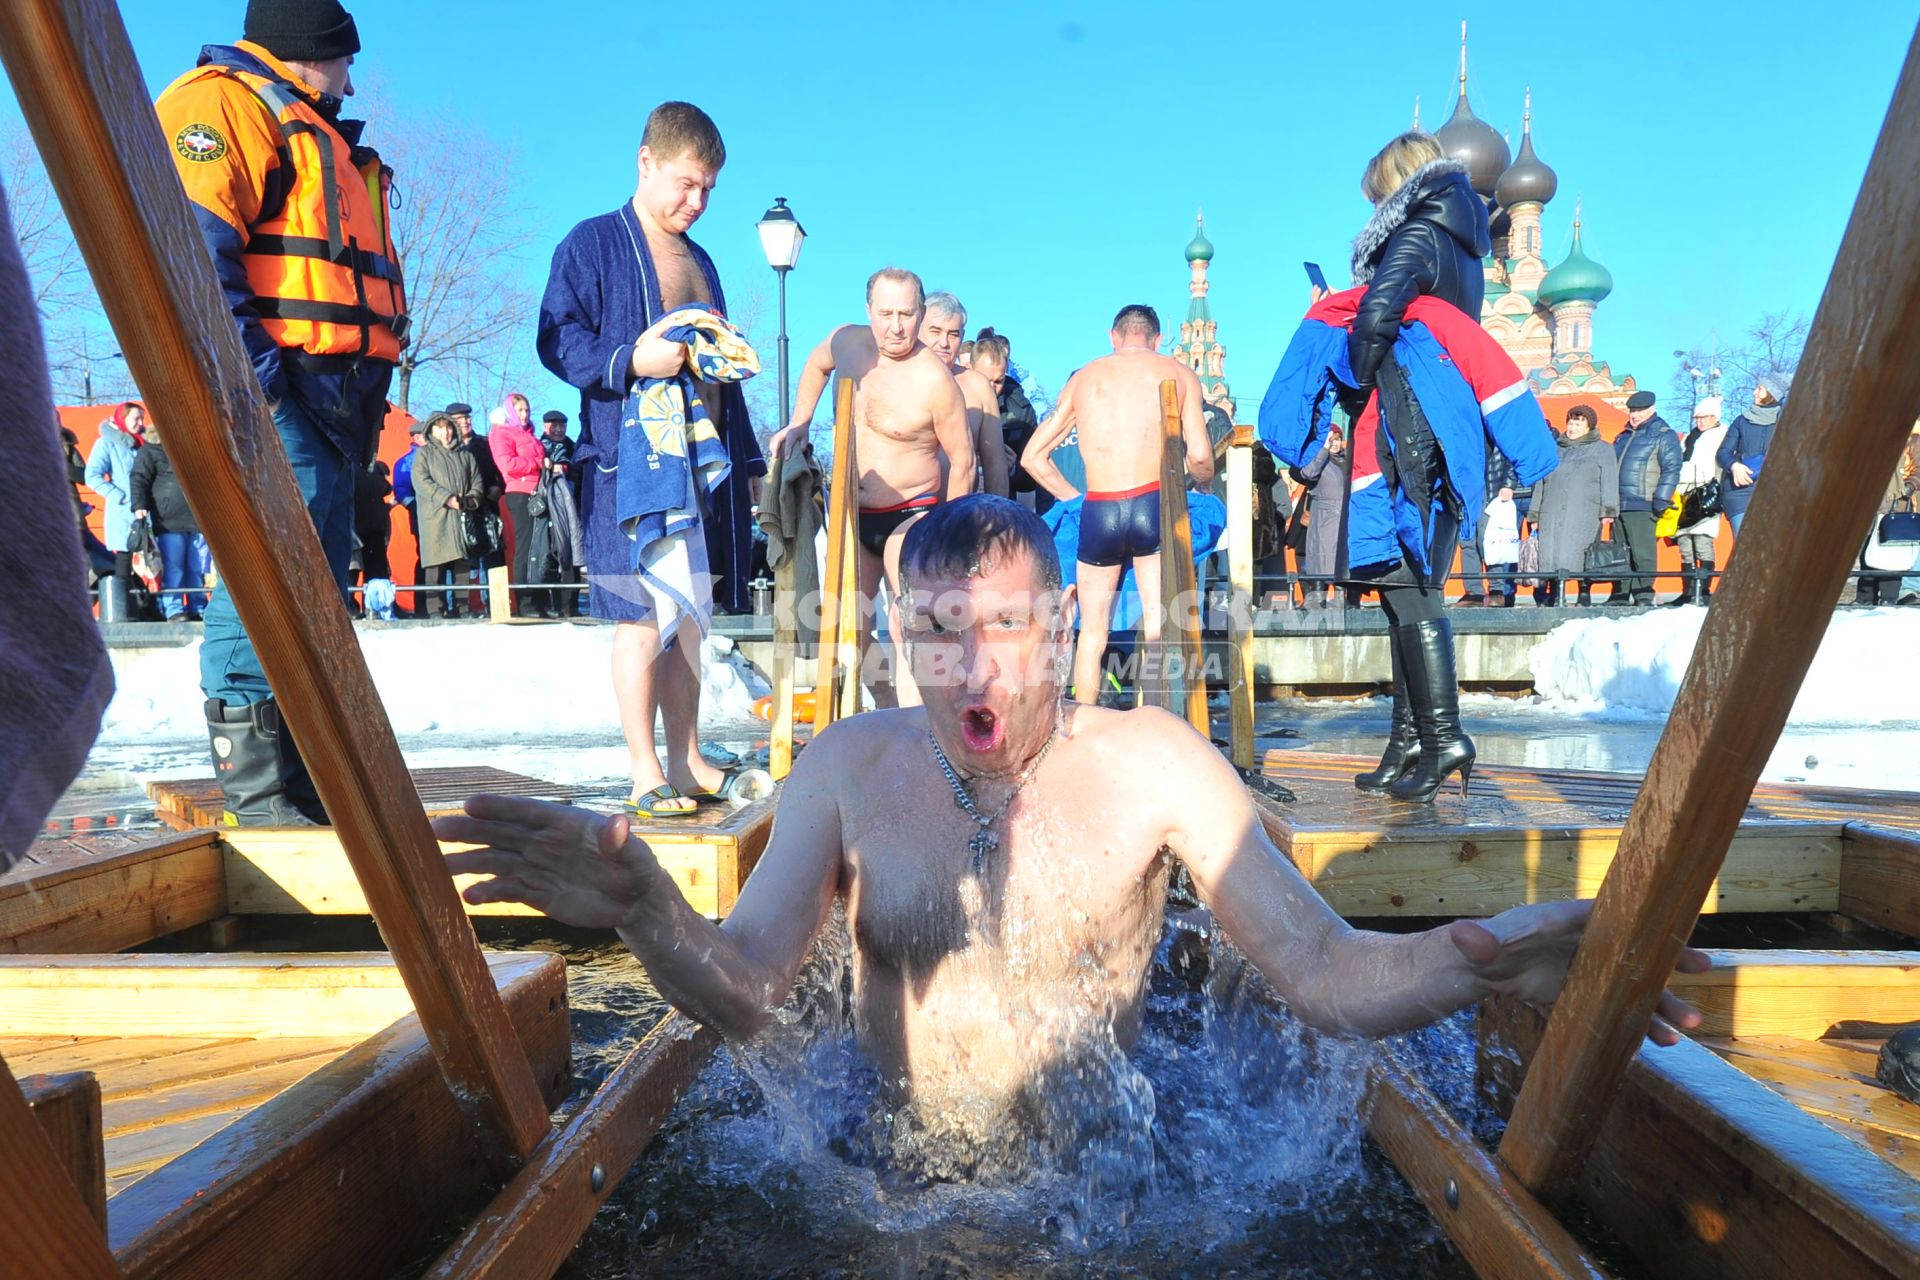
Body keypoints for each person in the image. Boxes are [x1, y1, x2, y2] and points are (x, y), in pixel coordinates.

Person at [434, 494, 1707, 1148]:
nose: (971, 670)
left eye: (1000, 629)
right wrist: (654, 914)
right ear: (895, 638)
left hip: (1114, 1190)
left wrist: (1481, 962)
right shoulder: (846, 765)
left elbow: (1321, 971)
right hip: (893, 1184)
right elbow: (753, 994)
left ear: (1058, 628)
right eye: (937, 634)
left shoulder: (1154, 764)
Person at [157, 0, 406, 825]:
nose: (351, 77)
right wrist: (257, 382)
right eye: (343, 60)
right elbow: (192, 249)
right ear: (306, 54)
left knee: (317, 588)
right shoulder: (222, 102)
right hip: (278, 391)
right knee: (263, 575)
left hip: (332, 399)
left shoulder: (315, 127)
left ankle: (298, 780)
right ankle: (257, 793)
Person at [1267, 130, 1555, 803]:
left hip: (1407, 426)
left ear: (1395, 187)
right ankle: (1410, 739)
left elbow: (1376, 319)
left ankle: (1445, 734)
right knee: (1407, 589)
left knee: (1409, 589)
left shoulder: (1417, 235)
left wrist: (1354, 381)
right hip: (1446, 424)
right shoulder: (1464, 247)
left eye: (1375, 195)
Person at [538, 101, 766, 815]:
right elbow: (556, 338)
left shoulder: (703, 263)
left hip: (703, 469)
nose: (696, 203)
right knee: (641, 618)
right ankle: (644, 772)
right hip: (628, 467)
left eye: (708, 191)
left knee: (692, 622)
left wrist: (750, 465)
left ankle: (687, 758)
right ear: (646, 162)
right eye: (685, 183)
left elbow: (723, 372)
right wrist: (629, 359)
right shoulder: (594, 242)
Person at [768, 269, 976, 706]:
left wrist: (948, 537)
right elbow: (815, 363)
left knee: (906, 620)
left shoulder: (935, 380)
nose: (895, 326)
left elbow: (964, 460)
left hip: (911, 512)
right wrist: (800, 422)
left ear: (920, 314)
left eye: (906, 314)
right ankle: (885, 704)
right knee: (851, 625)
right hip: (853, 514)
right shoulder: (848, 342)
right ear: (869, 312)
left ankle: (916, 721)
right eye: (885, 313)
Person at [1018, 305, 1212, 704]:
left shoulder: (1086, 378)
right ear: (1158, 340)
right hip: (1152, 501)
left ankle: (1086, 723)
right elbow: (1200, 456)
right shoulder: (1178, 373)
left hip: (1100, 507)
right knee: (1156, 625)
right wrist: (1196, 485)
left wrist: (1074, 498)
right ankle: (1155, 725)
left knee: (1092, 631)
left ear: (1113, 336)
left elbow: (1032, 457)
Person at [920, 292, 1010, 497]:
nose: (944, 342)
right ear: (918, 328)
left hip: (959, 517)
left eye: (953, 334)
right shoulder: (896, 379)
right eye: (935, 331)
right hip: (902, 516)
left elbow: (995, 463)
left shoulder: (977, 387)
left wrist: (998, 519)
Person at [1527, 404, 1618, 606]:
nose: (1573, 427)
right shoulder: (1555, 449)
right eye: (1571, 422)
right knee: (1550, 554)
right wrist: (1535, 513)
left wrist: (1608, 510)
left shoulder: (1603, 449)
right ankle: (1555, 595)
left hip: (1585, 510)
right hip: (1551, 509)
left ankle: (1583, 593)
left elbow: (1610, 479)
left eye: (1578, 423)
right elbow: (1540, 481)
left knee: (1581, 552)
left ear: (1589, 427)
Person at [128, 423, 213, 621]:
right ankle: (174, 609)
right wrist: (139, 507)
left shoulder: (192, 449)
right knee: (173, 567)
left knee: (196, 567)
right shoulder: (150, 450)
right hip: (168, 520)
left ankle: (198, 606)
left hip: (198, 518)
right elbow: (139, 478)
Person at [1609, 391, 1681, 607]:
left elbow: (1672, 468)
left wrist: (1661, 498)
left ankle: (1643, 595)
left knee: (1643, 553)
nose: (1634, 415)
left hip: (1643, 501)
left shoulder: (1662, 434)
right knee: (1619, 553)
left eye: (1639, 410)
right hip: (1618, 503)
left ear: (1651, 409)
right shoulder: (1623, 436)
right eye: (1632, 410)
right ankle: (1619, 594)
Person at [411, 412, 481, 619]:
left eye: (449, 427)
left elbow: (477, 481)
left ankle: (463, 608)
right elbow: (421, 481)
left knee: (462, 566)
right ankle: (435, 610)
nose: (446, 432)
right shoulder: (424, 454)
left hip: (461, 518)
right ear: (431, 430)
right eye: (440, 428)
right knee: (435, 567)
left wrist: (470, 499)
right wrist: (445, 498)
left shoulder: (466, 455)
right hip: (435, 517)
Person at [84, 401, 148, 615]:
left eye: (142, 418)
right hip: (123, 514)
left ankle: (147, 610)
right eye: (135, 418)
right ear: (123, 419)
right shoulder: (107, 443)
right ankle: (122, 612)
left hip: (148, 513)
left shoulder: (145, 444)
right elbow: (92, 475)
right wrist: (119, 496)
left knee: (150, 563)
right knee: (124, 561)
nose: (140, 423)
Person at [488, 392, 546, 617]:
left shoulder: (530, 435)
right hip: (520, 493)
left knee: (541, 548)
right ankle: (525, 602)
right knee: (526, 547)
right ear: (510, 412)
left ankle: (540, 601)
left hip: (539, 492)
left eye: (527, 410)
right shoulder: (501, 433)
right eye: (519, 410)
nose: (524, 415)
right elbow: (508, 464)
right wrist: (538, 463)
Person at [1667, 395, 1728, 607]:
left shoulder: (1722, 435)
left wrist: (1718, 490)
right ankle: (1688, 591)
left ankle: (1704, 590)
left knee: (1702, 542)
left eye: (1705, 417)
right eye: (1698, 417)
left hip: (1706, 493)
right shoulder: (1689, 438)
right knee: (1685, 544)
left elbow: (1722, 465)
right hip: (1684, 493)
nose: (1700, 421)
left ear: (1715, 417)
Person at [972, 330, 1041, 507]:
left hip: (1003, 503)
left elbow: (1030, 479)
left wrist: (1013, 468)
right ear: (970, 370)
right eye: (986, 380)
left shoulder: (1021, 413)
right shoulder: (952, 399)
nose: (992, 388)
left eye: (999, 381)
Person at [1716, 375, 1788, 538]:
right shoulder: (1741, 421)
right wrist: (1734, 466)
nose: (1754, 392)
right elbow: (1723, 453)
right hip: (1739, 490)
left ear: (1771, 393)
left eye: (1759, 389)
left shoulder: (1786, 422)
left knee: (1769, 543)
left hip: (1773, 491)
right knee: (1744, 541)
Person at [1288, 426, 1348, 609]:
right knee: (1322, 561)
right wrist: (1322, 449)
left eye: (1337, 438)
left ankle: (1342, 602)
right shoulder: (1319, 461)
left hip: (1345, 518)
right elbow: (1308, 473)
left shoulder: (1347, 460)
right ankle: (1317, 603)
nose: (1335, 443)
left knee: (1342, 563)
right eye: (1331, 439)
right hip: (1324, 518)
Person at [1858, 424, 1918, 607]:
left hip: (1895, 508)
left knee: (1892, 555)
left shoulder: (1913, 439)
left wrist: (1905, 490)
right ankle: (1864, 599)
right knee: (1867, 554)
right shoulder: (1868, 440)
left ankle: (1889, 600)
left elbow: (1918, 470)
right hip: (1868, 505)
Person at [450, 402, 502, 610]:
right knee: (463, 560)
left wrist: (499, 487)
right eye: (459, 419)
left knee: (493, 557)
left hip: (488, 506)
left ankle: (494, 605)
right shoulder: (448, 449)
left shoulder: (485, 443)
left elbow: (501, 470)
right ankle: (464, 607)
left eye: (467, 418)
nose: (465, 422)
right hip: (461, 509)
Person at [392, 418, 426, 613]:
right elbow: (401, 488)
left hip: (444, 515)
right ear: (416, 437)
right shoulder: (406, 462)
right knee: (424, 558)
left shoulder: (441, 456)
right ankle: (422, 605)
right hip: (420, 515)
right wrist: (414, 506)